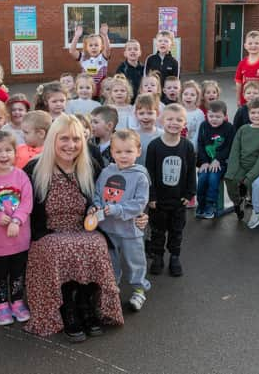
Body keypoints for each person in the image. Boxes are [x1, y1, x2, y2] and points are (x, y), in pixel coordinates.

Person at [23, 114, 124, 342]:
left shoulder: (91, 167)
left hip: (82, 227)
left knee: (96, 245)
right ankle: (67, 307)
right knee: (60, 248)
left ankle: (85, 303)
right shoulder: (34, 169)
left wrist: (137, 216)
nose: (71, 145)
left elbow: (111, 199)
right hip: (48, 231)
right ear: (53, 140)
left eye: (77, 139)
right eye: (64, 139)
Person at [91, 130, 151, 312]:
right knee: (111, 260)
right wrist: (94, 207)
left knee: (135, 261)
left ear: (138, 151)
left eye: (128, 151)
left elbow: (140, 203)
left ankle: (139, 289)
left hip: (130, 229)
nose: (123, 156)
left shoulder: (140, 176)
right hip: (108, 228)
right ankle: (112, 287)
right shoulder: (106, 171)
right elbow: (97, 194)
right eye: (118, 152)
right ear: (111, 152)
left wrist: (117, 209)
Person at [0, 131, 33, 326]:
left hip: (20, 237)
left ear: (15, 152)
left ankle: (18, 301)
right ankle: (2, 304)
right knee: (0, 274)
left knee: (18, 272)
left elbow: (27, 202)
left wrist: (16, 220)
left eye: (8, 150)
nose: (4, 155)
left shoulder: (21, 176)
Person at [146, 104, 196, 277]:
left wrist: (189, 193)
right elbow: (149, 172)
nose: (174, 123)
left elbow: (190, 171)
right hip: (158, 200)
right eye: (169, 119)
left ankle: (175, 257)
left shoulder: (187, 146)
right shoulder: (154, 146)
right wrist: (151, 196)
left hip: (178, 199)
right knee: (158, 231)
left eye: (179, 120)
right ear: (161, 121)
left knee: (177, 231)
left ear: (184, 123)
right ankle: (158, 257)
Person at [225, 97, 259, 220]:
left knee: (252, 183)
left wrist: (251, 175)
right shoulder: (243, 129)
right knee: (230, 179)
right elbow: (235, 152)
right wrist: (231, 171)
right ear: (248, 114)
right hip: (242, 166)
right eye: (253, 112)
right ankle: (238, 202)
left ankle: (258, 209)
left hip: (258, 168)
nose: (256, 116)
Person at [195, 101, 235, 219]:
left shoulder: (229, 128)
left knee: (213, 177)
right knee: (202, 177)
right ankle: (201, 204)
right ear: (206, 115)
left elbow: (229, 147)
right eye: (211, 116)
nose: (214, 119)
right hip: (206, 162)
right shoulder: (203, 126)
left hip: (221, 162)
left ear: (225, 116)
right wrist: (204, 162)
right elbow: (201, 144)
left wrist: (218, 159)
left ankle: (210, 205)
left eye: (218, 116)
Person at [69, 24, 111, 96]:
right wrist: (76, 36)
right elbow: (72, 51)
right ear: (86, 47)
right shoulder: (83, 57)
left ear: (101, 47)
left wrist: (105, 36)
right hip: (86, 93)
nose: (93, 47)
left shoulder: (103, 57)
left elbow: (107, 50)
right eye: (90, 45)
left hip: (100, 93)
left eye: (96, 45)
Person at [235, 30, 259, 106]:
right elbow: (238, 83)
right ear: (245, 46)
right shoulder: (242, 63)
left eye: (257, 43)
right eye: (250, 43)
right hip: (245, 100)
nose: (253, 46)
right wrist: (238, 99)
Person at [133, 94, 163, 166]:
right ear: (136, 115)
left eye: (150, 113)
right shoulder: (132, 135)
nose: (145, 117)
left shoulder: (163, 135)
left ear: (157, 114)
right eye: (141, 113)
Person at [181, 80, 205, 149]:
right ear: (181, 95)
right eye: (186, 94)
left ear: (197, 97)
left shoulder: (199, 114)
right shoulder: (178, 111)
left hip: (192, 148)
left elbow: (198, 133)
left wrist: (192, 148)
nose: (188, 97)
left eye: (192, 95)